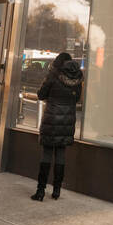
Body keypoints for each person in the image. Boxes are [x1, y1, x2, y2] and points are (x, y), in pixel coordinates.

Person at [32, 52, 83, 201]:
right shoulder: (78, 78)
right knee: (61, 154)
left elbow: (41, 94)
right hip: (67, 122)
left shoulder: (53, 75)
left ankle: (40, 192)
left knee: (47, 153)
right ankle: (56, 191)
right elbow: (77, 98)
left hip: (52, 120)